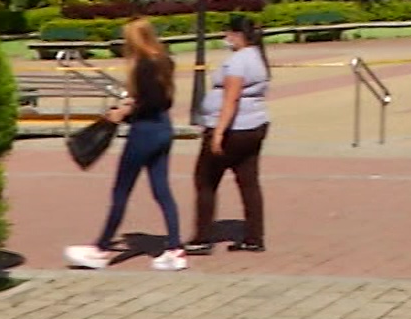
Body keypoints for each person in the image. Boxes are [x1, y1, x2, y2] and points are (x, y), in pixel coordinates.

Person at [65, 18, 185, 271]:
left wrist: (124, 113)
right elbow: (161, 101)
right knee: (162, 190)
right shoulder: (165, 60)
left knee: (121, 192)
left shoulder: (143, 65)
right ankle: (175, 248)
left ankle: (101, 249)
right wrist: (130, 107)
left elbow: (147, 102)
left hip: (144, 133)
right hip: (163, 129)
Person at [186, 14, 271, 254]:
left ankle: (202, 238)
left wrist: (218, 133)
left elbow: (230, 98)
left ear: (238, 35)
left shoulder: (237, 62)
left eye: (228, 34)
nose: (226, 38)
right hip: (255, 124)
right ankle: (254, 236)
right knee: (248, 181)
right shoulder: (258, 57)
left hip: (234, 129)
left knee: (205, 180)